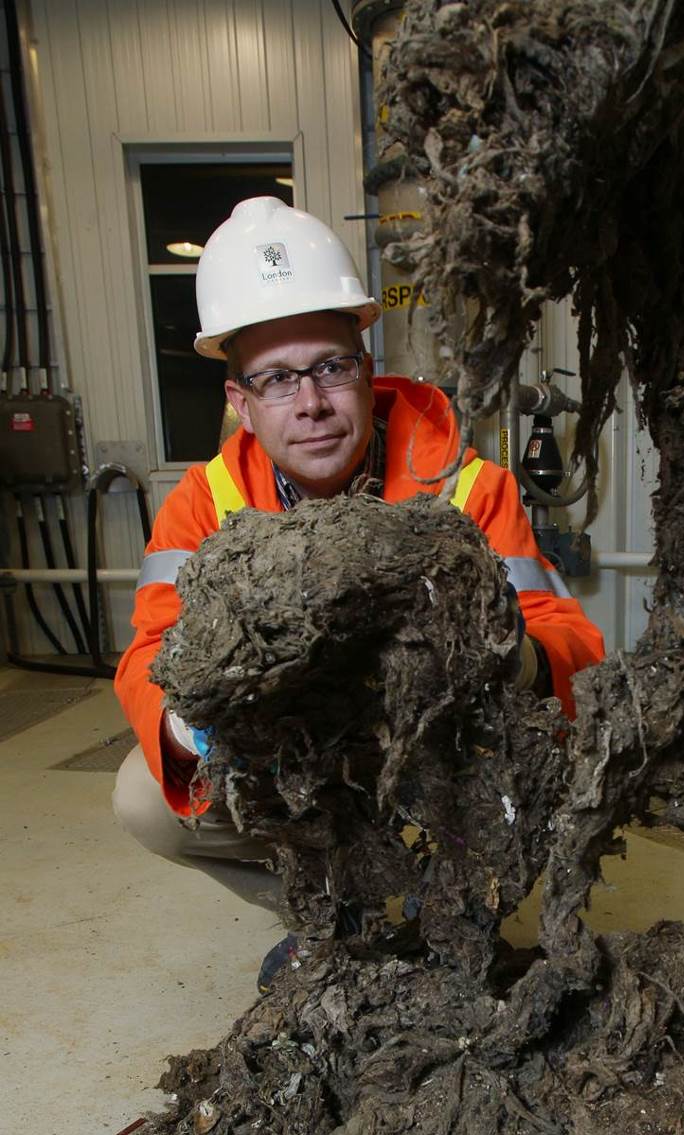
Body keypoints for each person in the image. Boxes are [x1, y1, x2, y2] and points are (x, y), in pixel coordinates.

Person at [112, 196, 604, 982]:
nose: (309, 403)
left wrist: (505, 660)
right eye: (276, 380)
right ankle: (335, 912)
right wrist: (198, 724)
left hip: (438, 751)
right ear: (239, 402)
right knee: (145, 797)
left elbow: (568, 642)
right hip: (293, 756)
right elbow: (147, 652)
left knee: (541, 753)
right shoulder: (204, 502)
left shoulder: (465, 487)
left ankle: (449, 911)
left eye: (329, 367)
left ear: (366, 368)